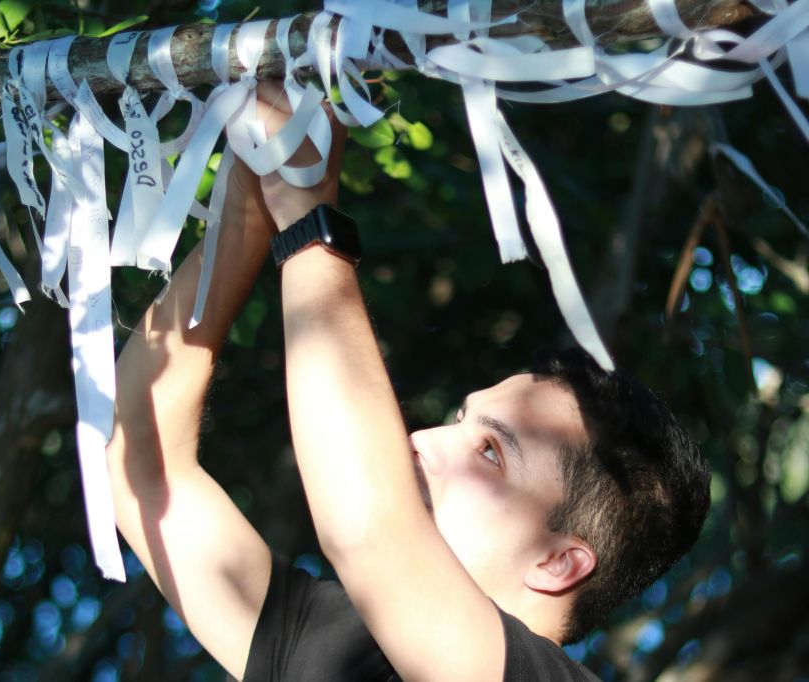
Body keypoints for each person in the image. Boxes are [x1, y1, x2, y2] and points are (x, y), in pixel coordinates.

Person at [104, 83, 711, 681]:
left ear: (557, 564)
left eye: (492, 452)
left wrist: (310, 221)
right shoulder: (330, 647)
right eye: (457, 421)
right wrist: (249, 205)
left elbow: (368, 531)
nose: (421, 439)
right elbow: (145, 471)